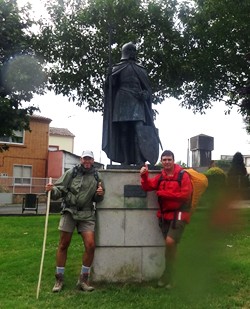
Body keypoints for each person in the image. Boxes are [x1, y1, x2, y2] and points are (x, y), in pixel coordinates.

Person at [45, 150, 105, 293]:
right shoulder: (71, 173)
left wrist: (100, 194)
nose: (87, 162)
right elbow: (59, 190)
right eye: (85, 159)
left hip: (87, 213)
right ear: (80, 159)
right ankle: (59, 279)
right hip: (69, 211)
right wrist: (51, 190)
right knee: (63, 244)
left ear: (93, 160)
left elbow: (99, 198)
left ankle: (83, 279)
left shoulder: (98, 175)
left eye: (90, 159)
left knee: (90, 245)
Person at [140, 150, 193, 288]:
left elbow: (185, 195)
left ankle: (168, 274)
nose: (167, 162)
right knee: (171, 247)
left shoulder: (183, 175)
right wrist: (144, 175)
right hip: (164, 216)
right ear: (161, 162)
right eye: (164, 160)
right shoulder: (161, 176)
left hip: (179, 215)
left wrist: (163, 193)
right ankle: (172, 276)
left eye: (169, 159)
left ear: (173, 160)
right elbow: (147, 187)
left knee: (170, 243)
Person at [102, 42, 159, 166]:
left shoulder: (141, 69)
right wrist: (109, 79)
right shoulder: (117, 68)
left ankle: (139, 159)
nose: (133, 52)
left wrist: (145, 94)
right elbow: (110, 87)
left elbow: (148, 90)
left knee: (139, 129)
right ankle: (126, 159)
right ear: (126, 52)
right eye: (131, 50)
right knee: (124, 130)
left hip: (137, 101)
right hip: (122, 99)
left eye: (134, 50)